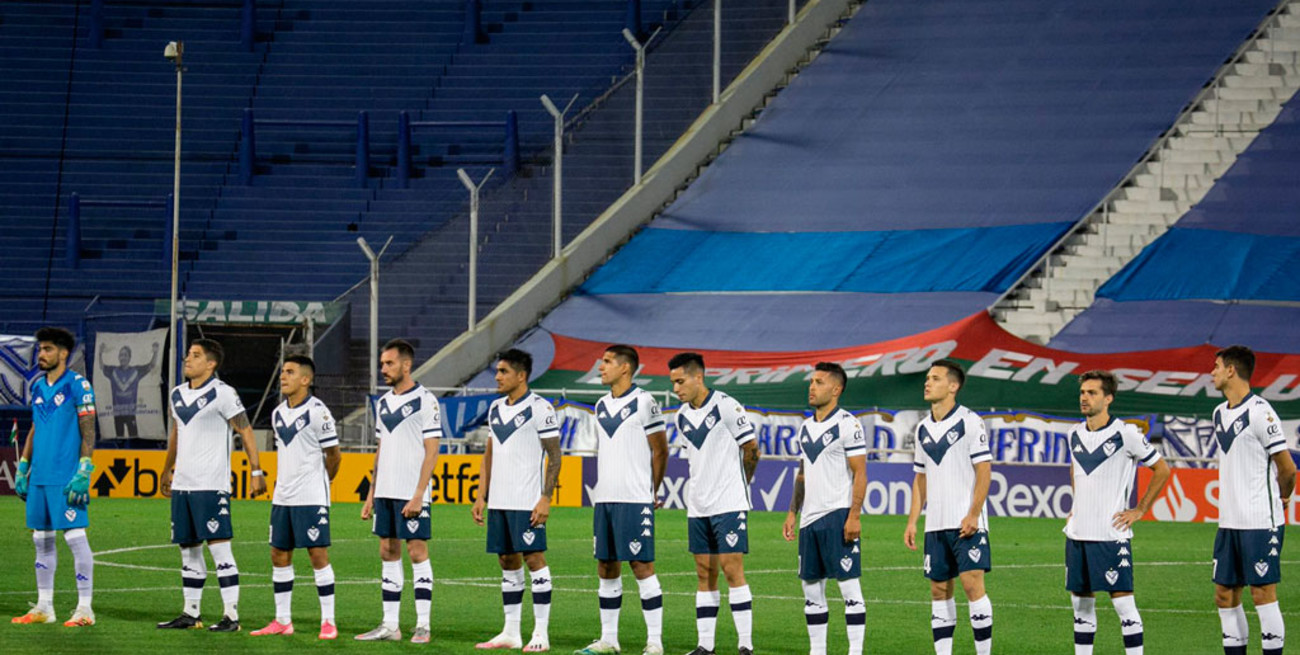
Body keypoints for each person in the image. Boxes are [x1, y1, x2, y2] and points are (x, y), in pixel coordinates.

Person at [157, 338, 267, 632]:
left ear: (211, 364)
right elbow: (177, 434)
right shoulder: (177, 394)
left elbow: (245, 429)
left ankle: (231, 616)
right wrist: (167, 469)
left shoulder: (223, 393)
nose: (187, 359)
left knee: (220, 549)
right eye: (187, 355)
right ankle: (190, 613)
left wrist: (256, 470)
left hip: (210, 484)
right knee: (188, 550)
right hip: (183, 485)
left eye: (195, 355)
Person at [1063, 370, 1171, 655]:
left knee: (1123, 605)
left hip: (1110, 534)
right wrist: (1076, 506)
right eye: (1083, 392)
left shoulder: (1127, 434)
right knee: (1080, 605)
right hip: (1078, 534)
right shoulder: (1073, 434)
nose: (1084, 398)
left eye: (1092, 393)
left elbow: (1162, 469)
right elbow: (1075, 470)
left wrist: (1140, 509)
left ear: (1108, 398)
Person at [575, 345, 669, 655]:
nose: (600, 367)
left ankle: (655, 641)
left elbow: (660, 450)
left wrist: (651, 490)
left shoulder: (644, 402)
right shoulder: (601, 405)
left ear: (625, 368)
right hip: (604, 499)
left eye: (606, 362)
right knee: (606, 566)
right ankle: (609, 640)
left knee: (641, 565)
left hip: (634, 499)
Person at [668, 352, 759, 655]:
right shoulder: (681, 416)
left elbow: (751, 448)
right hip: (698, 505)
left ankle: (745, 645)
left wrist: (741, 486)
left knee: (732, 570)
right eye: (673, 383)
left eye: (680, 381)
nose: (676, 388)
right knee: (704, 573)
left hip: (728, 502)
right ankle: (705, 646)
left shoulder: (726, 406)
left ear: (698, 377)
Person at [472, 349, 562, 652]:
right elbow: (489, 454)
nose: (497, 377)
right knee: (506, 561)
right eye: (498, 371)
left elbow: (555, 456)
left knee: (534, 559)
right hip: (499, 500)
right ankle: (510, 632)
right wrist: (481, 495)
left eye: (503, 371)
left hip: (527, 500)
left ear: (521, 376)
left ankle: (541, 634)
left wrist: (545, 498)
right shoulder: (495, 408)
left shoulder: (540, 408)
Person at [903, 360, 994, 655]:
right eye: (927, 378)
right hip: (935, 524)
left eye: (935, 378)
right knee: (938, 590)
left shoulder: (970, 421)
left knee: (972, 586)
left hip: (965, 521)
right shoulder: (922, 428)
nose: (927, 382)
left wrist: (973, 513)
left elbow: (984, 471)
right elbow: (920, 477)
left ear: (953, 386)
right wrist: (913, 521)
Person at [1209, 346, 1296, 655]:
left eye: (1217, 366)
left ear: (1231, 370)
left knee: (1262, 594)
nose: (1212, 372)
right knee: (1224, 595)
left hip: (1260, 522)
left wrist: (1282, 497)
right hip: (1228, 522)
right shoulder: (1218, 413)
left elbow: (1287, 468)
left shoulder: (1261, 412)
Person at [250, 355, 343, 640]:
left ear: (305, 379)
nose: (283, 376)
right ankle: (282, 620)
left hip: (311, 497)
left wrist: (321, 482)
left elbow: (334, 455)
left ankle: (328, 621)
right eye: (283, 372)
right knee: (279, 555)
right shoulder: (278, 413)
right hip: (282, 497)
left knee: (317, 555)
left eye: (290, 372)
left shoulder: (318, 412)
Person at [357, 339, 443, 643]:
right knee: (387, 550)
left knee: (416, 551)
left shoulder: (426, 400)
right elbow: (381, 449)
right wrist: (371, 493)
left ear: (406, 365)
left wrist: (419, 493)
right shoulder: (383, 403)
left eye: (389, 363)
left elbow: (432, 450)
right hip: (385, 491)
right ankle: (390, 625)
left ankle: (423, 625)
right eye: (382, 363)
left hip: (411, 491)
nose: (383, 369)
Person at [12, 327, 98, 627]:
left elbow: (89, 428)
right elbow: (36, 427)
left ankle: (85, 609)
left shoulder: (78, 385)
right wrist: (24, 465)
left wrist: (84, 468)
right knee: (41, 539)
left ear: (63, 353)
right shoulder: (38, 387)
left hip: (65, 476)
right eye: (40, 349)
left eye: (47, 349)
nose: (41, 354)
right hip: (40, 476)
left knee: (75, 537)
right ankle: (44, 607)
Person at [782, 362, 867, 655]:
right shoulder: (805, 427)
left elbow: (860, 473)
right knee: (810, 588)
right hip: (809, 519)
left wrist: (854, 515)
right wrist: (792, 511)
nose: (812, 387)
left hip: (837, 514)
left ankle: (855, 651)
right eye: (811, 382)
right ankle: (817, 650)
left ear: (836, 389)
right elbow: (802, 473)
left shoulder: (848, 425)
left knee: (848, 587)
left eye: (819, 382)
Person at [98, 341, 159, 438]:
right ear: (118, 357)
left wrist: (156, 352)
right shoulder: (113, 371)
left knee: (134, 438)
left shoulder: (136, 371)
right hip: (117, 413)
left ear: (129, 357)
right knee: (119, 440)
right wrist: (100, 353)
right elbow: (102, 367)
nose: (123, 357)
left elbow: (151, 365)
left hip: (131, 413)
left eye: (125, 355)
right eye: (121, 355)